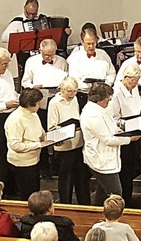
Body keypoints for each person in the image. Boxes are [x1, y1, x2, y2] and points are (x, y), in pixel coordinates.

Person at [81, 83, 141, 205]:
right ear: (100, 98)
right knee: (116, 193)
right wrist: (129, 139)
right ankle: (113, 219)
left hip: (107, 157)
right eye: (108, 98)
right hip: (101, 159)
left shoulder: (102, 109)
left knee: (103, 192)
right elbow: (108, 139)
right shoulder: (92, 115)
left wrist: (121, 130)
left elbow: (111, 126)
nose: (109, 100)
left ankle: (100, 217)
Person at [22, 39, 69, 180]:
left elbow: (67, 79)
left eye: (52, 55)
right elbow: (25, 81)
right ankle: (44, 166)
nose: (49, 58)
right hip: (39, 102)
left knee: (57, 132)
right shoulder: (31, 61)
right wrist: (33, 86)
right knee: (40, 133)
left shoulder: (62, 61)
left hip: (56, 101)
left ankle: (57, 164)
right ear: (40, 51)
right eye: (46, 55)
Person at [47, 77, 90, 205]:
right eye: (69, 91)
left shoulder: (76, 99)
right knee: (66, 178)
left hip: (78, 142)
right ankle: (65, 204)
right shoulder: (55, 102)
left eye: (75, 91)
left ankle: (84, 204)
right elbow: (51, 126)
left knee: (82, 177)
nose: (72, 94)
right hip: (64, 145)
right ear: (62, 89)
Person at [109, 64, 141, 207]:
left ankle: (129, 198)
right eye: (132, 81)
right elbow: (113, 118)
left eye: (137, 80)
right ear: (125, 78)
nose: (135, 83)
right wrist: (129, 126)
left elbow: (135, 107)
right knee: (124, 169)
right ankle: (123, 200)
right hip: (124, 133)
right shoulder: (116, 93)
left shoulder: (135, 89)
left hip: (136, 131)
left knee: (131, 168)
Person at [5, 88, 53, 200]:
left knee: (35, 192)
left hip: (34, 160)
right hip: (22, 164)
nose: (39, 105)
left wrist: (51, 138)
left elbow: (40, 133)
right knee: (28, 195)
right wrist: (39, 145)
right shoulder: (16, 120)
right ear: (29, 104)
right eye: (38, 103)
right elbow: (16, 145)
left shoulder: (33, 114)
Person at [0, 47, 19, 195]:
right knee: (1, 153)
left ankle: (11, 187)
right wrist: (4, 105)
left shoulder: (7, 73)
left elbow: (11, 92)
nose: (7, 67)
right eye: (3, 64)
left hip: (12, 114)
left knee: (11, 149)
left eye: (8, 63)